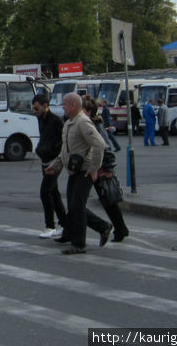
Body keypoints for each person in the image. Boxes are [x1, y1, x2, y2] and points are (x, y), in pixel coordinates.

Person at [44, 93, 111, 255]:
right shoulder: (69, 123)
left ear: (74, 105)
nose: (63, 107)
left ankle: (79, 244)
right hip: (73, 171)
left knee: (77, 207)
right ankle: (102, 227)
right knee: (74, 207)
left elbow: (100, 144)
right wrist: (55, 166)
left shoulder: (82, 122)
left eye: (65, 104)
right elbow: (65, 151)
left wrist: (94, 168)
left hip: (84, 171)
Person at [83, 96, 129, 242]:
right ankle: (121, 229)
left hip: (100, 170)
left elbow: (106, 147)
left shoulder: (95, 126)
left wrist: (109, 169)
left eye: (82, 109)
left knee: (108, 201)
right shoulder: (89, 124)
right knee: (107, 202)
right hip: (93, 168)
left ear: (89, 111)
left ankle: (119, 229)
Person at [32, 93, 66, 239]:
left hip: (54, 161)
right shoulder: (41, 119)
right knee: (53, 192)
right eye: (34, 109)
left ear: (46, 106)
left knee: (45, 192)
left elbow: (63, 141)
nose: (35, 111)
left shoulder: (56, 121)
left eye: (37, 108)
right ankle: (65, 224)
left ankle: (50, 225)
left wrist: (53, 152)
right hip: (45, 159)